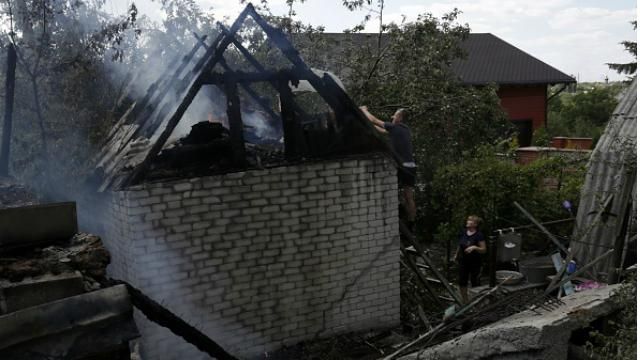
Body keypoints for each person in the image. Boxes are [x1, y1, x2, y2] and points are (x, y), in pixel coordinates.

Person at [359, 106, 417, 227]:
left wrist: (364, 110)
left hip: (402, 166)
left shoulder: (395, 127)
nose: (392, 117)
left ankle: (389, 216)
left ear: (400, 118)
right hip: (411, 166)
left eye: (395, 115)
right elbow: (382, 130)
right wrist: (365, 123)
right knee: (409, 196)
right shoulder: (405, 129)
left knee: (388, 188)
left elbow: (374, 120)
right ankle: (412, 223)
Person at [453, 215, 486, 303]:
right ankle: (465, 301)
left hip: (475, 262)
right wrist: (456, 254)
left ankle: (476, 301)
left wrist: (474, 247)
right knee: (462, 281)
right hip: (463, 260)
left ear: (475, 224)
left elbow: (483, 250)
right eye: (468, 220)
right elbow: (460, 244)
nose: (467, 221)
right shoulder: (463, 232)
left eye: (470, 221)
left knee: (475, 281)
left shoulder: (479, 235)